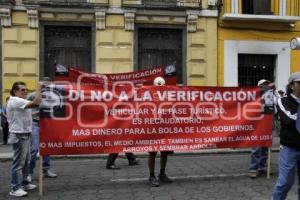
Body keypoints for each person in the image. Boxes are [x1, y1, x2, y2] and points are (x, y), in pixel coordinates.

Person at [7, 81, 41, 197]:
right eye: (22, 90)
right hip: (19, 136)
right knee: (18, 163)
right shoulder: (15, 100)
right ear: (15, 91)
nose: (25, 91)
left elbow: (22, 115)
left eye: (26, 89)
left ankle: (25, 183)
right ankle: (15, 188)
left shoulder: (20, 101)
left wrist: (34, 115)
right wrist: (40, 88)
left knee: (26, 161)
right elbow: (36, 102)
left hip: (24, 134)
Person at [272, 72, 300, 200]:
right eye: (299, 83)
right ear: (291, 86)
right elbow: (289, 119)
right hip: (290, 148)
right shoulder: (283, 101)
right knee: (285, 183)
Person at [27, 77, 57, 182]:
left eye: (49, 86)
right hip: (35, 124)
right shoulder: (31, 95)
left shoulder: (53, 97)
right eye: (44, 85)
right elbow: (24, 111)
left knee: (47, 148)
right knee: (34, 149)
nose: (47, 87)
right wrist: (35, 114)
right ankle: (29, 173)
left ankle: (46, 169)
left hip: (47, 124)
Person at [148, 77, 173, 187]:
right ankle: (151, 176)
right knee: (152, 153)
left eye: (161, 87)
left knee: (164, 152)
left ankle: (162, 174)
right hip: (153, 129)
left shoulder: (168, 97)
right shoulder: (148, 96)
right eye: (158, 87)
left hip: (164, 128)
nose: (160, 90)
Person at [248, 79, 271, 178]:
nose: (265, 87)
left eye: (267, 84)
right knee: (256, 148)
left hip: (267, 125)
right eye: (263, 85)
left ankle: (262, 167)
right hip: (256, 126)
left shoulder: (272, 95)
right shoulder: (253, 96)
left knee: (265, 147)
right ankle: (253, 168)